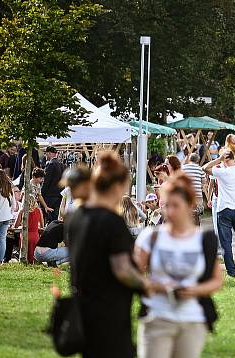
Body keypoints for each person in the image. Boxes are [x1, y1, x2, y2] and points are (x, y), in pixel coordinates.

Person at [66, 151, 166, 357]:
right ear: (118, 186)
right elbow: (122, 269)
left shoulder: (76, 217)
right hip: (109, 310)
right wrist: (146, 285)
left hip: (83, 307)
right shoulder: (111, 222)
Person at [134, 173, 222, 358]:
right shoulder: (151, 236)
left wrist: (195, 290)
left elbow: (216, 281)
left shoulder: (203, 240)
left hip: (192, 320)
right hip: (157, 316)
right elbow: (133, 273)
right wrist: (153, 285)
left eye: (176, 206)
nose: (171, 212)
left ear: (190, 206)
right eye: (167, 205)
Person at [204, 149, 235, 278]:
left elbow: (204, 168)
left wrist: (218, 159)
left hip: (224, 209)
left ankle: (231, 272)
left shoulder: (222, 172)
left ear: (225, 159)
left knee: (226, 243)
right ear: (234, 158)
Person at [15, 191, 44, 264]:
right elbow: (42, 226)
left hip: (25, 236)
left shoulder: (22, 211)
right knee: (33, 257)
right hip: (35, 236)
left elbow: (16, 226)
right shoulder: (39, 210)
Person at [42, 146, 65, 220]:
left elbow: (46, 182)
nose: (45, 156)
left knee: (50, 218)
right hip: (60, 195)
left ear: (49, 153)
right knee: (56, 218)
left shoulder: (51, 164)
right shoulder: (62, 165)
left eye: (45, 154)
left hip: (50, 196)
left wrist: (41, 194)